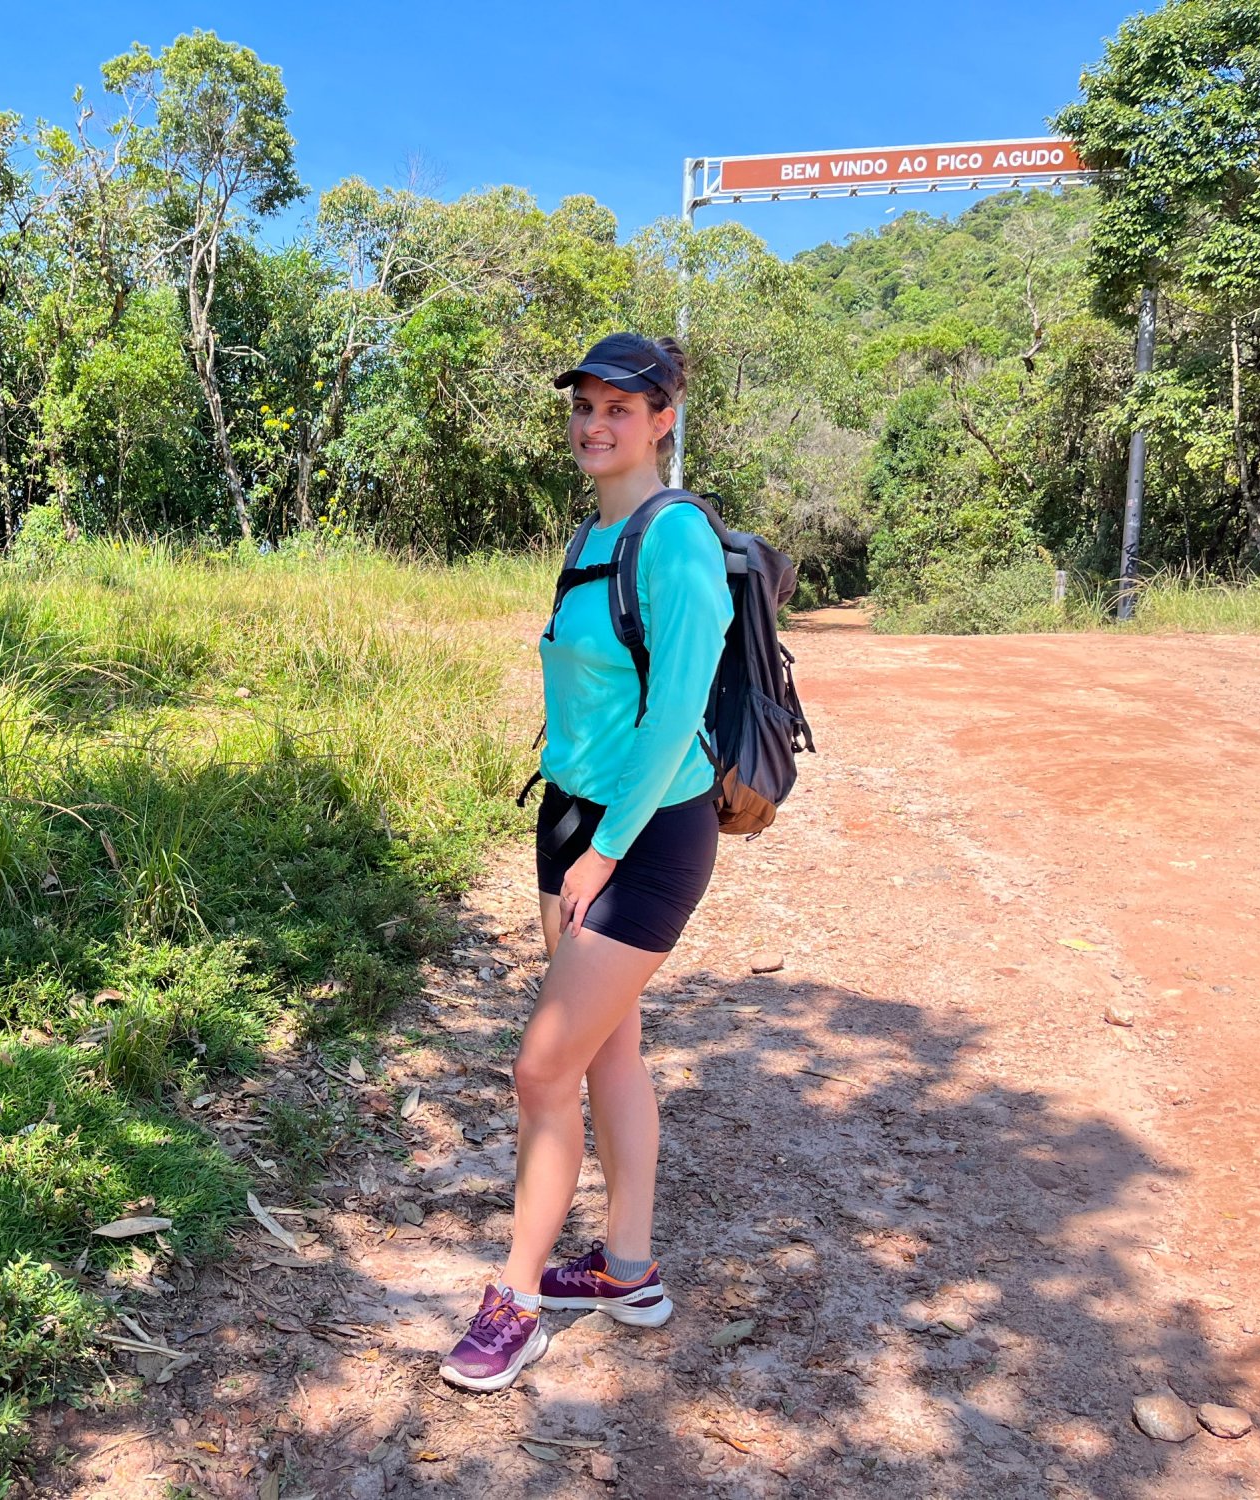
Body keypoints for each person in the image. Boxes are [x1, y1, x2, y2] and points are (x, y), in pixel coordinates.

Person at [439, 332, 733, 1392]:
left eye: (620, 408)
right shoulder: (590, 536)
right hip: (569, 820)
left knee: (541, 1069)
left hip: (645, 835)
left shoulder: (678, 539)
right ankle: (625, 1272)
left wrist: (605, 852)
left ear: (662, 420)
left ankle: (515, 1299)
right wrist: (577, 835)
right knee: (607, 1052)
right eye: (584, 406)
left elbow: (674, 716)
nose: (595, 424)